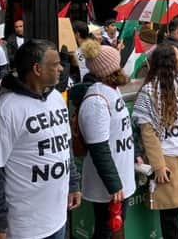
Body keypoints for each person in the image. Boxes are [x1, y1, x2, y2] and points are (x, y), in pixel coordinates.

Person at [0, 40, 81, 239]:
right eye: (55, 64)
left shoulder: (56, 97)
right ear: (37, 69)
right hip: (25, 226)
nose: (61, 68)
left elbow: (65, 145)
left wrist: (73, 183)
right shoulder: (8, 108)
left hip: (58, 218)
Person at [132, 43, 178, 239]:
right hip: (167, 156)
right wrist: (158, 165)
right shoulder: (149, 91)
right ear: (169, 60)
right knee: (170, 211)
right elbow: (147, 132)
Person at [78, 39, 137, 238]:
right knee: (106, 230)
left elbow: (123, 129)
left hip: (121, 175)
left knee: (115, 228)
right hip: (108, 184)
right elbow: (98, 148)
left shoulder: (112, 90)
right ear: (110, 70)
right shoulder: (95, 101)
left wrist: (135, 153)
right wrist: (114, 184)